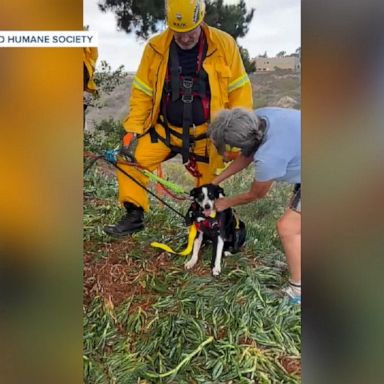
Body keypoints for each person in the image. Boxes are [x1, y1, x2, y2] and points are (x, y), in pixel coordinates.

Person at [104, 0, 253, 237]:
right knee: (129, 159)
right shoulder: (155, 48)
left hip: (208, 136)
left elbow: (240, 94)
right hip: (166, 131)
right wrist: (132, 130)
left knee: (210, 187)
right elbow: (142, 94)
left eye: (190, 31)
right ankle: (134, 215)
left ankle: (210, 231)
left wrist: (237, 137)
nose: (184, 38)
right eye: (178, 33)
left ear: (201, 20)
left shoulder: (224, 45)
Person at [208, 107, 301, 304]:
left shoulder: (269, 157)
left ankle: (298, 291)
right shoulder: (259, 118)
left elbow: (256, 194)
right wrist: (214, 182)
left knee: (288, 228)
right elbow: (246, 155)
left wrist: (225, 203)